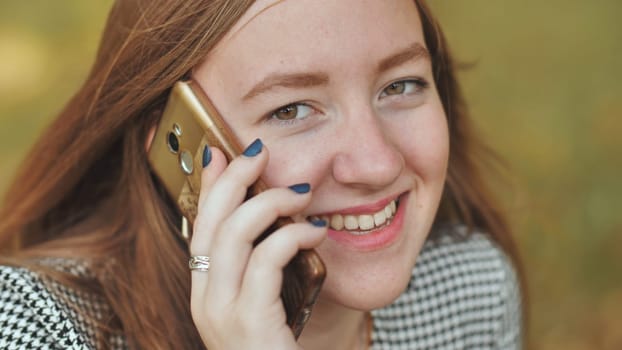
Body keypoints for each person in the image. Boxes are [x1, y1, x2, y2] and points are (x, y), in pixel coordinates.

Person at [0, 0, 524, 349]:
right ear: (177, 145)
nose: (378, 163)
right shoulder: (38, 326)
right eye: (291, 110)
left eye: (400, 85)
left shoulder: (472, 291)